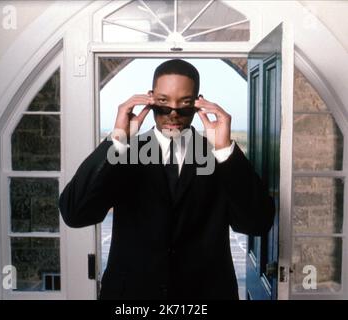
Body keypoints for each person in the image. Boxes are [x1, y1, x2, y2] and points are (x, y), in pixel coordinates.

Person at [59, 59, 275, 300]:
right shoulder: (123, 153)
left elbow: (256, 223)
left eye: (184, 103)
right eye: (163, 102)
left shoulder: (221, 157)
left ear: (197, 103)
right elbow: (74, 213)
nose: (173, 113)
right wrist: (117, 140)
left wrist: (225, 150)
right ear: (150, 99)